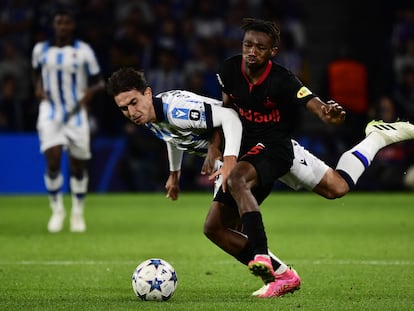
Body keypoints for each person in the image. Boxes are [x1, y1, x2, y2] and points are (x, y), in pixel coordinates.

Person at [207, 17, 414, 298]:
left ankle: (262, 257)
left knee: (237, 180)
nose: (251, 51)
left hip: (277, 149)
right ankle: (284, 276)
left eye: (259, 47)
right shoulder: (229, 70)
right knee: (216, 227)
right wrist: (215, 147)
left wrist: (328, 112)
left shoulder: (282, 79)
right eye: (247, 45)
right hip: (250, 152)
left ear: (272, 52)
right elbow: (226, 111)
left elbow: (312, 103)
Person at [106, 67, 241, 197]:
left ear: (147, 94)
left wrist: (228, 157)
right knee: (224, 216)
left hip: (246, 146)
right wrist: (174, 174)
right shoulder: (149, 117)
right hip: (232, 155)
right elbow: (173, 138)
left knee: (220, 217)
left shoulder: (177, 111)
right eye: (124, 108)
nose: (132, 113)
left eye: (134, 102)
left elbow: (229, 116)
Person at [31, 9, 105, 233]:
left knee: (78, 166)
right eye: (58, 22)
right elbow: (36, 72)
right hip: (50, 111)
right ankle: (57, 210)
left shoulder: (83, 51)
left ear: (72, 26)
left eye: (66, 23)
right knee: (52, 160)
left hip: (76, 114)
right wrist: (38, 86)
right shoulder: (40, 50)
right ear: (53, 25)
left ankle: (77, 212)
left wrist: (90, 92)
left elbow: (99, 81)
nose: (62, 26)